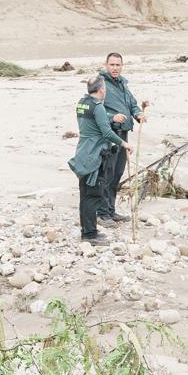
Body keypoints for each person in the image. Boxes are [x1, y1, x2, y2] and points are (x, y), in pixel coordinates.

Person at [70, 76, 129, 245]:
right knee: (93, 194)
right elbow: (106, 133)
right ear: (102, 90)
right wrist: (124, 143)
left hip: (83, 152)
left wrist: (110, 117)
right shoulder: (98, 107)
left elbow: (97, 118)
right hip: (94, 155)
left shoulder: (82, 102)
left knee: (85, 194)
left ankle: (87, 231)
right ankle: (90, 234)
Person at [96, 52, 145, 222]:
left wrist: (138, 114)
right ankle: (102, 213)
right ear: (106, 65)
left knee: (117, 173)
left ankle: (111, 210)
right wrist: (111, 117)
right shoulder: (100, 83)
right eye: (112, 65)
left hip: (123, 134)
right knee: (107, 173)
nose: (115, 68)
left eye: (118, 65)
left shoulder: (123, 83)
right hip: (109, 135)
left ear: (122, 66)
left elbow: (132, 103)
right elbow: (93, 107)